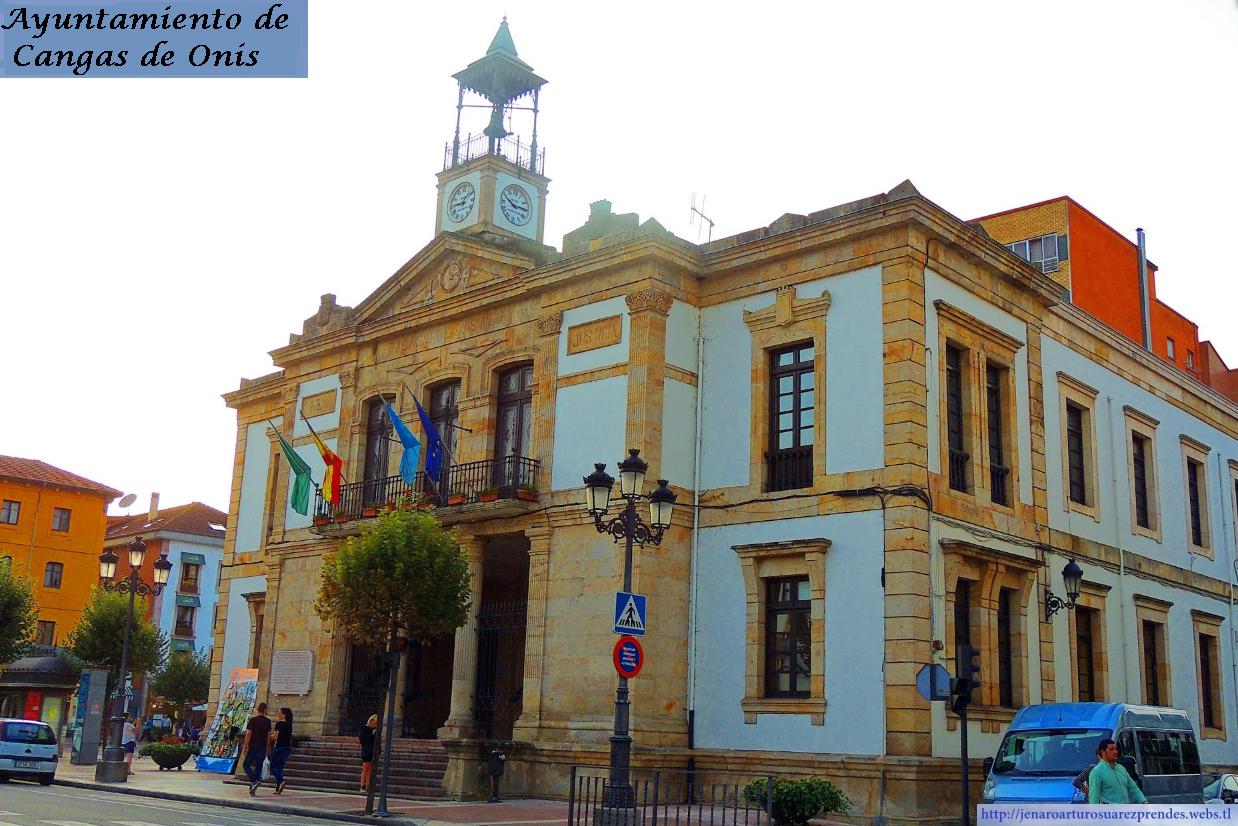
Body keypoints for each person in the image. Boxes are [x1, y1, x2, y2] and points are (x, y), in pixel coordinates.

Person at [1088, 738, 1148, 804]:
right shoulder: (1097, 771)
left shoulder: (1121, 769)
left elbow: (1133, 788)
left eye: (1115, 749)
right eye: (1111, 749)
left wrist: (1143, 801)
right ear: (1103, 751)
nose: (1115, 752)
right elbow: (1094, 796)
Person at [242, 702, 272, 796]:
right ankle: (255, 783)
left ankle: (254, 781)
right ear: (265, 710)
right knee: (258, 767)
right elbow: (268, 736)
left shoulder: (253, 720)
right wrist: (267, 747)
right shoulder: (268, 721)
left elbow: (248, 734)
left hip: (253, 747)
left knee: (246, 764)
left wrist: (245, 746)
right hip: (262, 747)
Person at [268, 707, 293, 795]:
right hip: (287, 748)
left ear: (284, 715)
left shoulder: (279, 724)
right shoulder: (289, 724)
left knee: (272, 767)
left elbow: (275, 737)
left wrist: (267, 735)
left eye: (279, 713)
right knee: (280, 767)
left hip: (279, 747)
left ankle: (281, 781)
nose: (278, 715)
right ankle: (278, 788)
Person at [359, 714, 378, 793]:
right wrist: (372, 734)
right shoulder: (365, 729)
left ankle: (369, 785)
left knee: (370, 769)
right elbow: (363, 740)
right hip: (366, 751)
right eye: (374, 723)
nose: (375, 725)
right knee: (365, 768)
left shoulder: (375, 730)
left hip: (372, 751)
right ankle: (362, 785)